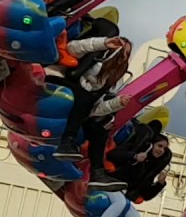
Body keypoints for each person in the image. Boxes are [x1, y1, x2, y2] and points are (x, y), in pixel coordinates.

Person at [47, 29, 135, 191]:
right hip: (57, 80)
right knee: (84, 97)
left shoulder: (109, 78)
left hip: (80, 102)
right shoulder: (94, 55)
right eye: (120, 48)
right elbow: (72, 48)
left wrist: (116, 104)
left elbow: (95, 110)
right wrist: (104, 42)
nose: (122, 54)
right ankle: (67, 142)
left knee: (99, 129)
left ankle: (98, 174)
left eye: (126, 53)